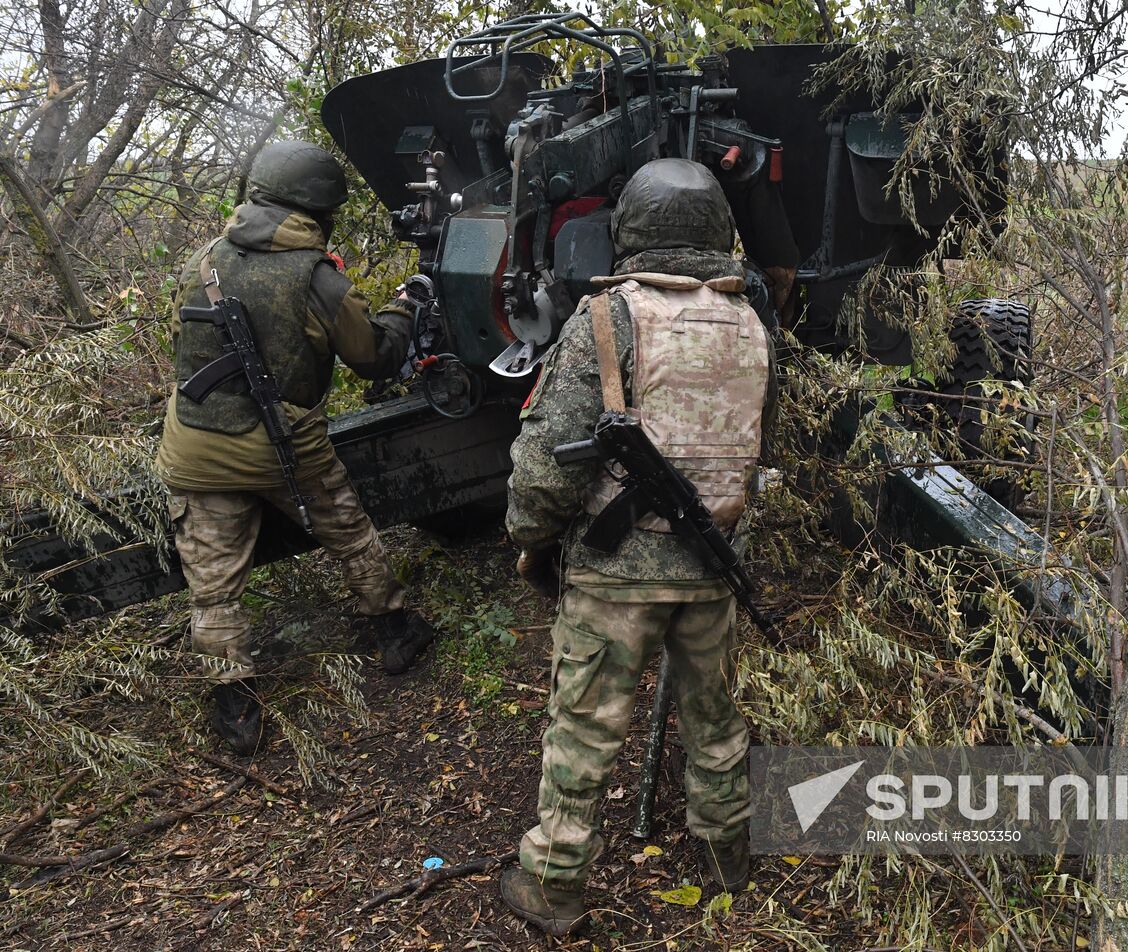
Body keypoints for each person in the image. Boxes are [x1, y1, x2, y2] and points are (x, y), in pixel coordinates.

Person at [499, 158, 775, 936]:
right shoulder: (753, 322)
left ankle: (552, 885)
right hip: (711, 566)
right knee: (716, 720)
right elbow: (759, 445)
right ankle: (727, 855)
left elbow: (548, 457)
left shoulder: (606, 319)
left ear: (631, 230)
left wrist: (529, 537)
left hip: (615, 578)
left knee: (585, 731)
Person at [155, 140, 437, 755]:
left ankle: (235, 706)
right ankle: (395, 630)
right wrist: (402, 308)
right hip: (284, 449)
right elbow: (375, 358)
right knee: (348, 531)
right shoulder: (317, 279)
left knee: (213, 584)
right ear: (321, 209)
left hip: (196, 450)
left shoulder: (201, 259)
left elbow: (184, 345)